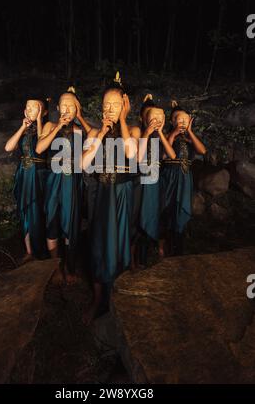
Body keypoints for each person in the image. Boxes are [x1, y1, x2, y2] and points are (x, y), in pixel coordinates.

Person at [82, 72, 140, 324]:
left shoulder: (134, 129)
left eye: (116, 105)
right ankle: (98, 300)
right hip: (101, 193)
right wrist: (100, 134)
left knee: (121, 240)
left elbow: (131, 154)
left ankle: (119, 298)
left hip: (123, 192)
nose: (110, 109)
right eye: (106, 105)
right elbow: (83, 165)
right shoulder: (95, 131)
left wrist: (123, 121)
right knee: (97, 244)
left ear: (125, 106)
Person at [36, 87, 91, 283]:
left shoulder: (78, 131)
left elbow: (93, 138)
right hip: (53, 179)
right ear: (58, 107)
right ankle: (55, 267)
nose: (67, 109)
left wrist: (81, 116)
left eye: (72, 106)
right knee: (52, 220)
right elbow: (40, 148)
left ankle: (69, 267)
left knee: (70, 222)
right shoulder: (50, 125)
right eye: (64, 105)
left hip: (72, 181)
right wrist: (59, 127)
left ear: (76, 109)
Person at [159, 100, 206, 256]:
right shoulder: (166, 135)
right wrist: (173, 134)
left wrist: (191, 132)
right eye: (179, 119)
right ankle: (164, 242)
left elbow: (203, 151)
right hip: (170, 176)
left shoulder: (190, 139)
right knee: (168, 207)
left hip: (185, 177)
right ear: (172, 122)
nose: (183, 122)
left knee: (182, 208)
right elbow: (164, 155)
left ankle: (178, 246)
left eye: (186, 120)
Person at [5, 99, 48, 262]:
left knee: (37, 210)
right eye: (27, 107)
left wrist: (38, 121)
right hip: (24, 173)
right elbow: (8, 147)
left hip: (38, 174)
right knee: (24, 209)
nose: (29, 109)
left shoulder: (46, 128)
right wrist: (23, 126)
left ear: (43, 112)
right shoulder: (24, 130)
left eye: (34, 107)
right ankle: (29, 251)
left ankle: (41, 251)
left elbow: (41, 145)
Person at [136, 94, 176, 266]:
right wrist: (147, 132)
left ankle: (156, 251)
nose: (156, 120)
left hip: (156, 179)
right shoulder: (139, 132)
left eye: (160, 118)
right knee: (139, 214)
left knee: (156, 213)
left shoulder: (161, 136)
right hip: (141, 179)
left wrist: (160, 133)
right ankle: (137, 258)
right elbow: (137, 157)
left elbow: (171, 155)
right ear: (144, 118)